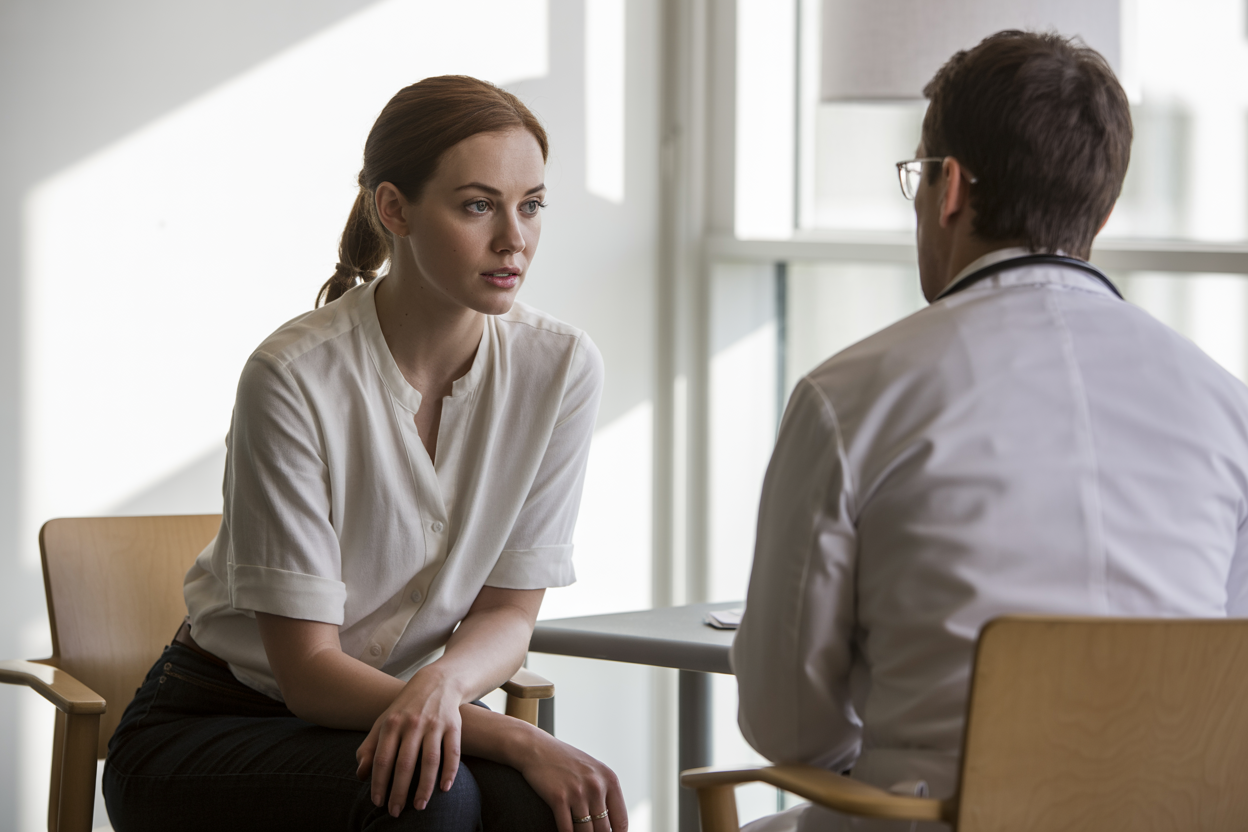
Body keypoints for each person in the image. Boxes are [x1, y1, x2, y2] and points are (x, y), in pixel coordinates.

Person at [731, 31, 1248, 832]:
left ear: (950, 189)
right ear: (1101, 210)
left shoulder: (850, 394)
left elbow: (788, 728)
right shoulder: (1228, 407)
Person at [103, 75, 627, 832]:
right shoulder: (293, 376)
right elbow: (310, 676)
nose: (515, 238)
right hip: (216, 725)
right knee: (432, 799)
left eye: (532, 204)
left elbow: (510, 611)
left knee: (540, 804)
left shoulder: (563, 368)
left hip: (410, 706)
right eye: (478, 205)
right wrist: (510, 732)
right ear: (394, 209)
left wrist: (444, 686)